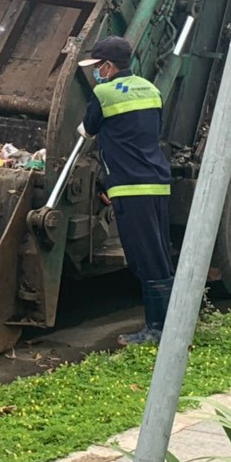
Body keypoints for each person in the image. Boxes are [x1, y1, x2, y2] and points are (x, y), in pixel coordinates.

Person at [77, 35, 174, 346]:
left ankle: (158, 330)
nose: (94, 72)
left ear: (108, 66)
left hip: (131, 187)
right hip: (156, 181)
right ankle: (172, 323)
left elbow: (87, 130)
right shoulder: (151, 89)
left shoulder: (104, 93)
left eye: (96, 67)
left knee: (145, 258)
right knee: (158, 253)